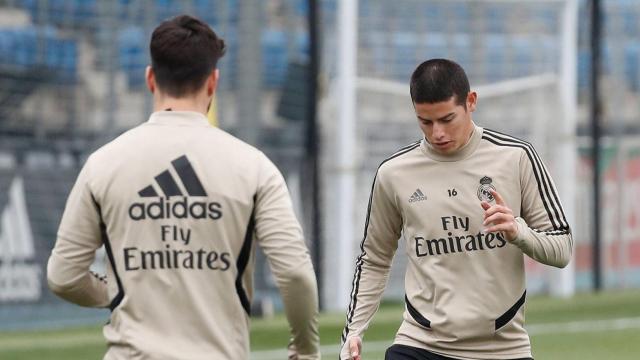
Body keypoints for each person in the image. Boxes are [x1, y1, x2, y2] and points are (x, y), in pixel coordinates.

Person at [47, 15, 320, 360]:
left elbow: (63, 276)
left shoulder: (103, 164)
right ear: (213, 83)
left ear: (149, 78)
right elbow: (296, 275)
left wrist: (120, 292)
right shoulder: (254, 167)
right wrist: (307, 350)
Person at [339, 58, 572, 360]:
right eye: (425, 121)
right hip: (420, 344)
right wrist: (354, 332)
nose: (437, 133)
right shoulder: (393, 173)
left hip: (502, 350)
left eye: (447, 119)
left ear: (470, 102)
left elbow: (562, 248)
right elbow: (374, 259)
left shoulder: (516, 158)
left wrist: (518, 232)